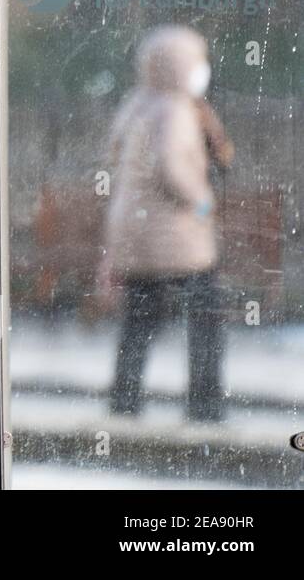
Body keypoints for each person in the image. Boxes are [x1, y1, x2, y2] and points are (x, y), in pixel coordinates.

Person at [99, 24, 231, 423]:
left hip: (137, 233)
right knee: (208, 316)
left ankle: (124, 400)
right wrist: (204, 203)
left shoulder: (138, 102)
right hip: (174, 237)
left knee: (140, 321)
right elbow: (172, 167)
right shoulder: (174, 109)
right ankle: (205, 404)